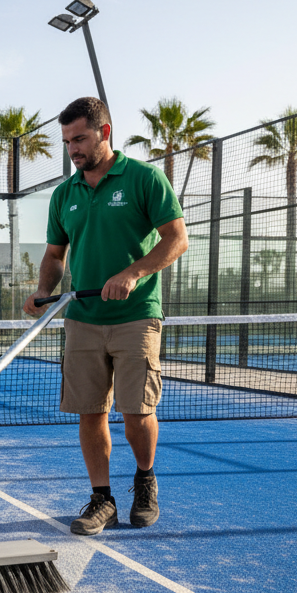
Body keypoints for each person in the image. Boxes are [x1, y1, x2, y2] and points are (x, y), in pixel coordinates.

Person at [23, 96, 188, 535]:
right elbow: (55, 254)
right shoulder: (65, 194)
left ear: (104, 132)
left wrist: (133, 273)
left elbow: (176, 239)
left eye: (79, 138)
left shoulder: (143, 178)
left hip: (136, 315)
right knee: (91, 412)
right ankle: (102, 498)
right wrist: (44, 289)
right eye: (67, 141)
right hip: (83, 316)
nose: (73, 149)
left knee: (136, 414)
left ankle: (145, 479)